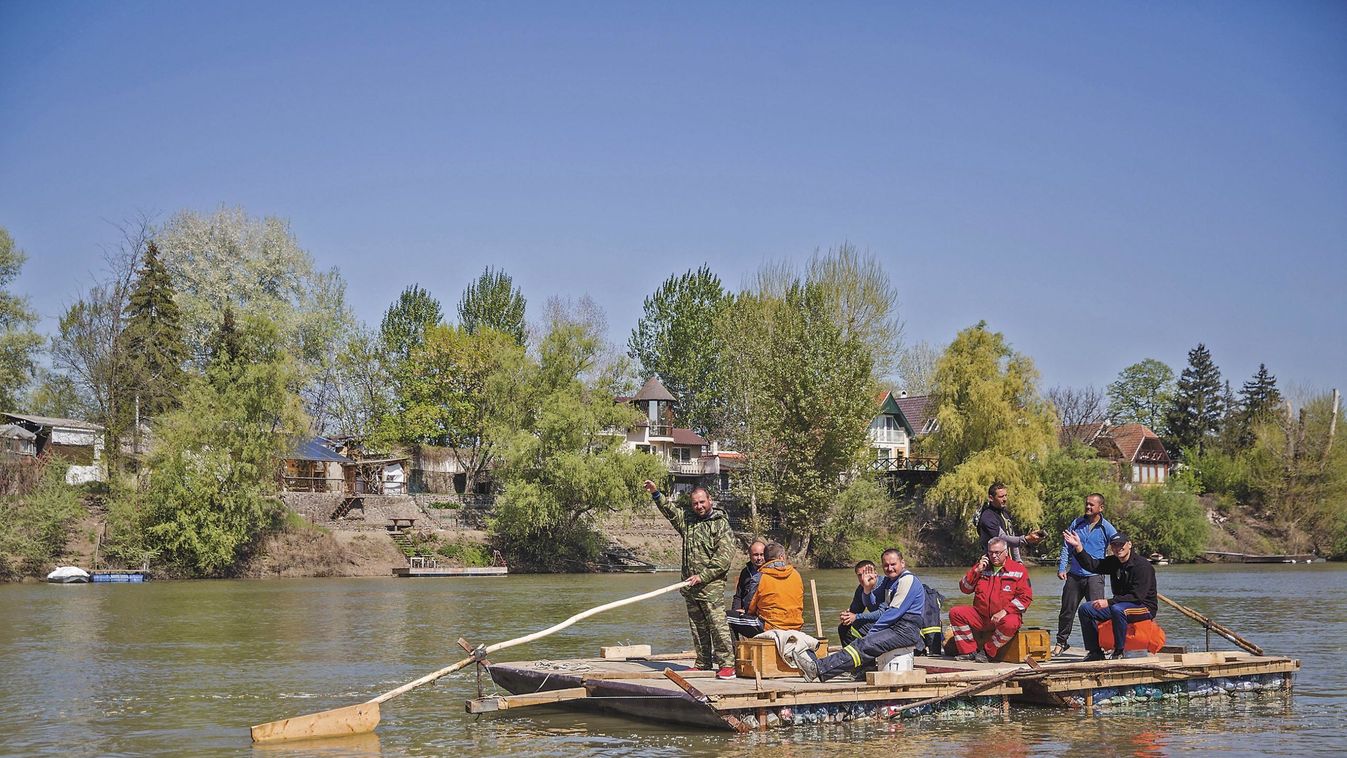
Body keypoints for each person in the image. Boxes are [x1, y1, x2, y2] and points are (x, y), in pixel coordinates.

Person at [644, 480, 737, 679]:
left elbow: (724, 559)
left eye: (702, 502)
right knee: (697, 626)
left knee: (717, 625)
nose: (699, 506)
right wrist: (656, 494)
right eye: (695, 503)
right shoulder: (688, 521)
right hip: (689, 587)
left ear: (710, 500)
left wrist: (702, 577)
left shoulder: (721, 525)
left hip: (710, 587)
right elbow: (670, 512)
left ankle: (727, 664)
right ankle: (703, 662)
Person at [793, 549, 926, 682]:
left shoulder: (907, 580)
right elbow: (876, 606)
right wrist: (867, 590)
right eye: (886, 565)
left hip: (905, 629)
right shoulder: (891, 582)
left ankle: (818, 669)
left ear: (902, 563)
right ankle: (851, 670)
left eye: (893, 564)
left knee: (864, 644)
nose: (889, 568)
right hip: (896, 627)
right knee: (860, 640)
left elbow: (892, 613)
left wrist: (872, 633)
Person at [1063, 529, 1157, 661]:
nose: (1118, 548)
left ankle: (1119, 651)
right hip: (1120, 605)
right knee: (1086, 609)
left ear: (1129, 544)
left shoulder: (1142, 566)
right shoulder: (1114, 562)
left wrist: (1109, 602)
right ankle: (1095, 651)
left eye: (1121, 544)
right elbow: (1092, 565)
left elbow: (1137, 597)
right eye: (1114, 545)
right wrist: (1078, 547)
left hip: (1144, 607)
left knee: (1117, 609)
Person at [948, 537, 1033, 663]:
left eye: (997, 553)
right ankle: (969, 651)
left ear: (1006, 552)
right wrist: (976, 571)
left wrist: (1005, 611)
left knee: (1011, 623)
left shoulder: (1018, 570)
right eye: (990, 552)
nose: (993, 556)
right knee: (956, 613)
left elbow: (1025, 598)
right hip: (981, 616)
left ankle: (988, 651)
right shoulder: (981, 568)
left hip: (1003, 617)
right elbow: (965, 589)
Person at [1053, 493, 1118, 656]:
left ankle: (1103, 644)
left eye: (1092, 505)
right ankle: (1061, 642)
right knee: (1067, 610)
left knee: (1097, 611)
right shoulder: (1077, 523)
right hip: (1074, 574)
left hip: (1095, 577)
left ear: (1100, 508)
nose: (1088, 507)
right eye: (1087, 504)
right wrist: (1062, 568)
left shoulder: (1107, 527)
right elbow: (1066, 547)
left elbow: (1119, 546)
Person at [748, 542, 804, 632]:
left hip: (769, 626)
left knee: (728, 618)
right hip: (796, 625)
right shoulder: (796, 574)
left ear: (765, 558)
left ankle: (732, 646)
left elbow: (750, 608)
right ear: (781, 557)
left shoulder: (759, 577)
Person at [976, 482, 1030, 562]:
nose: (1005, 499)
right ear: (991, 498)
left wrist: (1018, 561)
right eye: (1001, 497)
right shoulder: (987, 516)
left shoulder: (1005, 513)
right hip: (993, 563)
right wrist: (1025, 539)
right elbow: (1002, 539)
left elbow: (1012, 536)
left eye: (1005, 495)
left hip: (1008, 562)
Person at [727, 540, 767, 640]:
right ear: (749, 555)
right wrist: (736, 611)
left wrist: (747, 611)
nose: (759, 558)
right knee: (728, 617)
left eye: (762, 555)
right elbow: (738, 596)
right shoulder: (745, 572)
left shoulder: (769, 572)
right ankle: (736, 650)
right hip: (747, 615)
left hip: (760, 617)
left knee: (726, 618)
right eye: (755, 555)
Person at [837, 559, 881, 643]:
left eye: (866, 574)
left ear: (875, 573)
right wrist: (847, 616)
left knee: (857, 624)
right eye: (859, 575)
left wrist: (856, 617)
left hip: (889, 622)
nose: (863, 578)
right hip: (874, 621)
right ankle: (850, 655)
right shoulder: (861, 588)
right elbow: (855, 610)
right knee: (843, 627)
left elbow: (882, 613)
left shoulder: (883, 585)